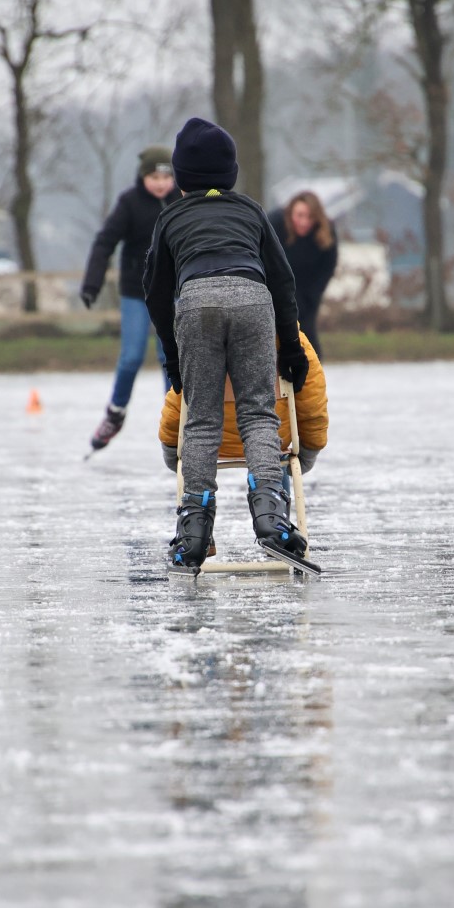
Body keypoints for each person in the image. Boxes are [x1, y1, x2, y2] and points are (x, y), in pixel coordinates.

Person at [143, 116, 312, 573]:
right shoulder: (250, 211)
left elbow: (156, 292)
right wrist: (292, 349)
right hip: (253, 296)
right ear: (230, 173)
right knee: (258, 413)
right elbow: (282, 279)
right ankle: (272, 517)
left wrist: (172, 357)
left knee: (200, 421)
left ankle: (194, 533)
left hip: (196, 301)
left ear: (182, 178)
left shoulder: (171, 216)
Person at [158, 329, 328, 555]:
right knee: (272, 455)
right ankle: (275, 521)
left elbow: (178, 400)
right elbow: (312, 399)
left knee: (199, 445)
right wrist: (309, 449)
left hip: (210, 443)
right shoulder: (291, 338)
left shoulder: (202, 336)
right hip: (272, 439)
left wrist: (172, 448)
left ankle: (198, 532)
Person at [80, 145, 181, 452]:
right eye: (154, 176)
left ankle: (175, 419)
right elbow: (104, 242)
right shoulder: (130, 203)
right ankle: (115, 413)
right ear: (143, 177)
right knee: (132, 356)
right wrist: (92, 283)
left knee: (170, 357)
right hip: (137, 293)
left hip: (173, 292)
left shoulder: (181, 201)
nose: (161, 182)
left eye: (166, 175)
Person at [268, 191, 338, 360]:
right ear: (290, 212)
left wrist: (311, 298)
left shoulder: (326, 231)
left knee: (308, 339)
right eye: (300, 215)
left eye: (310, 217)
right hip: (274, 290)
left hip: (306, 293)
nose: (305, 222)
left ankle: (312, 379)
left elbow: (327, 268)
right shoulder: (275, 223)